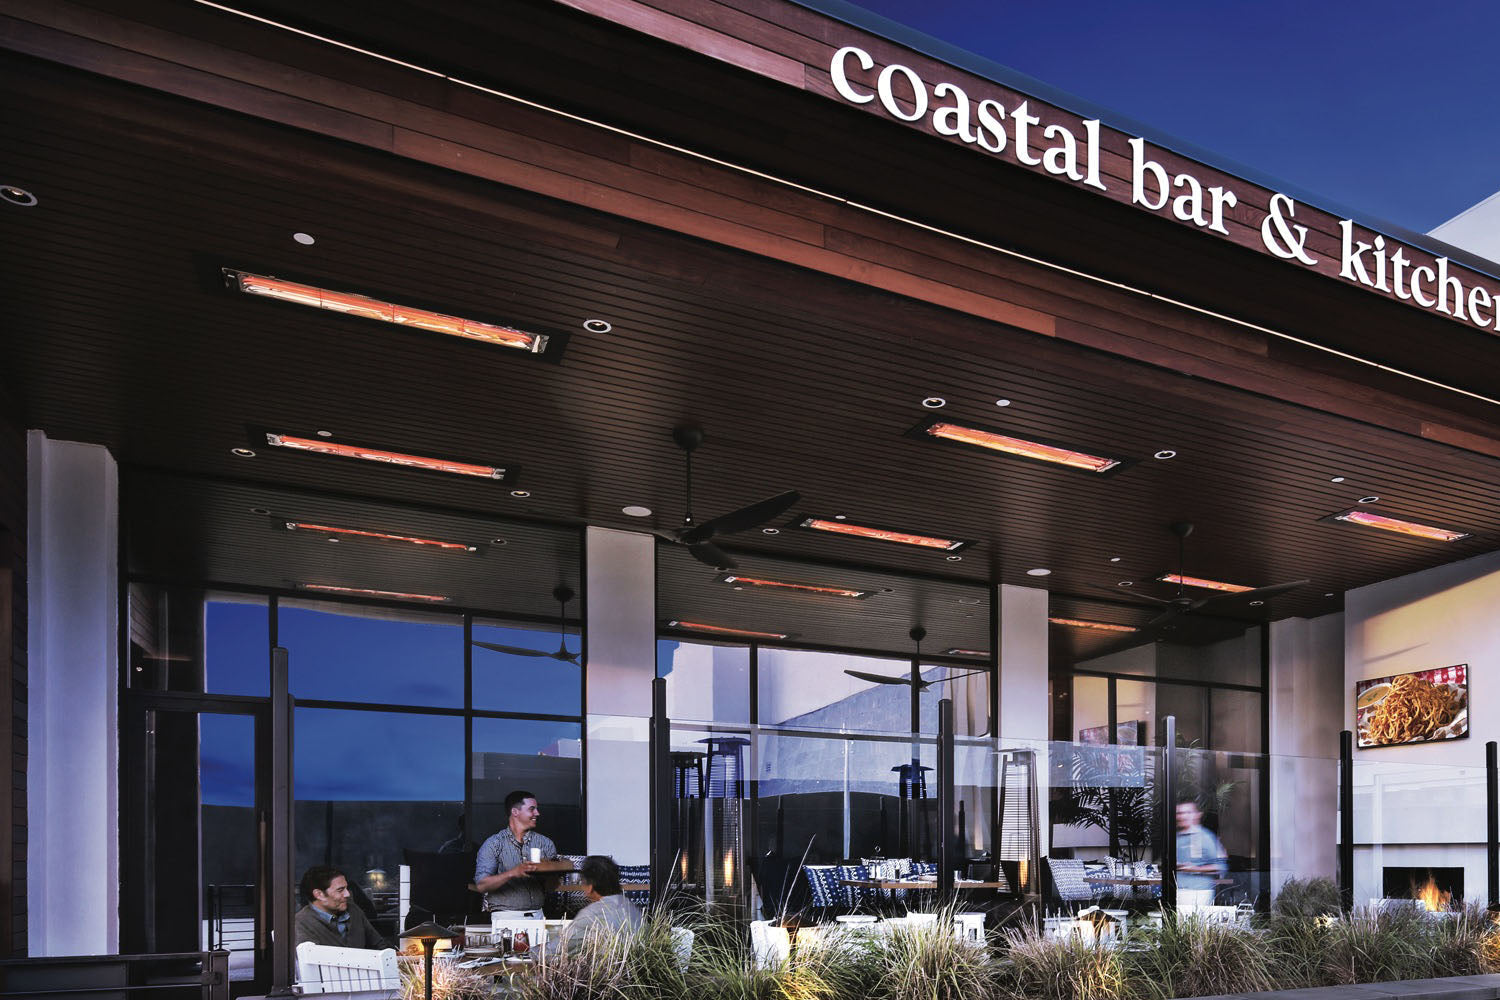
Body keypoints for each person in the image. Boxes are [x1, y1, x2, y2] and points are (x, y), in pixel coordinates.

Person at [474, 789, 559, 917]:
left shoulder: (545, 843)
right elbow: (482, 885)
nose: (537, 813)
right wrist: (513, 872)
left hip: (538, 915)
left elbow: (552, 887)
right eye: (532, 809)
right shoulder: (493, 844)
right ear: (515, 812)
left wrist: (554, 872)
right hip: (506, 917)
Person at [542, 856, 643, 958]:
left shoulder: (591, 914)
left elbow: (557, 948)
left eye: (582, 882)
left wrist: (534, 952)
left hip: (606, 967)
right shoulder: (630, 906)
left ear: (590, 887)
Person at [295, 865, 386, 949]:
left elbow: (379, 945)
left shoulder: (354, 911)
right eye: (340, 890)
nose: (347, 894)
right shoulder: (300, 924)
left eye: (346, 888)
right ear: (319, 894)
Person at [1174, 800, 1227, 909]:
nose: (1183, 816)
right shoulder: (1176, 837)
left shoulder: (1206, 837)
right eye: (1179, 813)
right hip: (1177, 890)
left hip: (1198, 892)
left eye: (1188, 812)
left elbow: (1221, 867)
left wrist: (1194, 869)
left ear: (1198, 815)